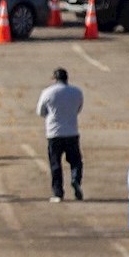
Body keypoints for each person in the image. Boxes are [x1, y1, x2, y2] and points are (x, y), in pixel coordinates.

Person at [36, 67, 84, 202]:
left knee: (55, 163)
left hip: (54, 133)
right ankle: (75, 179)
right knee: (76, 161)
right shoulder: (76, 92)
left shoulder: (47, 92)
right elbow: (79, 108)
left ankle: (58, 193)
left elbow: (40, 111)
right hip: (72, 132)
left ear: (55, 79)